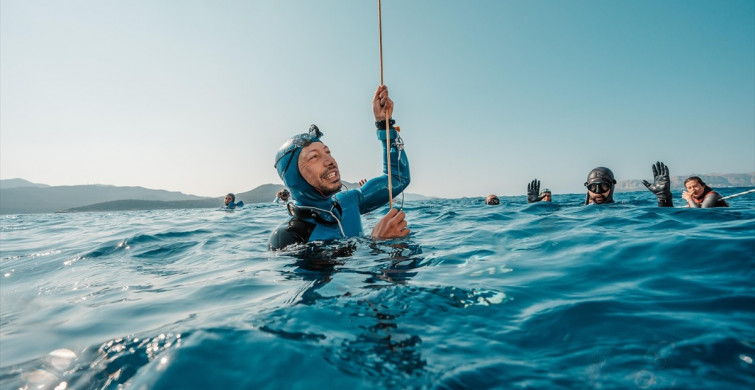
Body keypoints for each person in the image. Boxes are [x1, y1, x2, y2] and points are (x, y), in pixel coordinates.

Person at [268, 85, 410, 251]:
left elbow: (398, 178)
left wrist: (383, 125)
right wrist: (376, 241)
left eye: (328, 152)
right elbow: (341, 275)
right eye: (314, 157)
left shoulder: (348, 201)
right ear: (293, 177)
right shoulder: (287, 238)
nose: (329, 160)